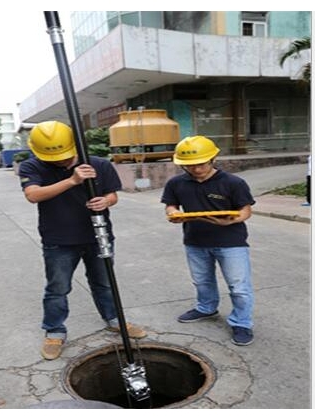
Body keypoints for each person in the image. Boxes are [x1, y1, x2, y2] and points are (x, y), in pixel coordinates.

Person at [19, 121, 146, 360]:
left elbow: (112, 194)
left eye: (63, 156)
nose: (59, 161)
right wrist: (72, 180)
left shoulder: (98, 164)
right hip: (59, 239)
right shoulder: (32, 165)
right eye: (52, 157)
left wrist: (106, 201)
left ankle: (114, 319)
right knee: (58, 288)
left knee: (104, 282)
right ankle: (55, 331)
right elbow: (32, 195)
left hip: (98, 235)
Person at [161, 136, 255, 346]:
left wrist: (231, 221)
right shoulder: (176, 183)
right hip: (195, 241)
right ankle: (206, 308)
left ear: (213, 157)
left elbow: (245, 211)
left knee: (238, 286)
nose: (195, 169)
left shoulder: (233, 183)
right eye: (189, 165)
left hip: (231, 242)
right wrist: (174, 213)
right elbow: (170, 205)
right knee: (202, 280)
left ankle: (242, 322)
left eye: (200, 164)